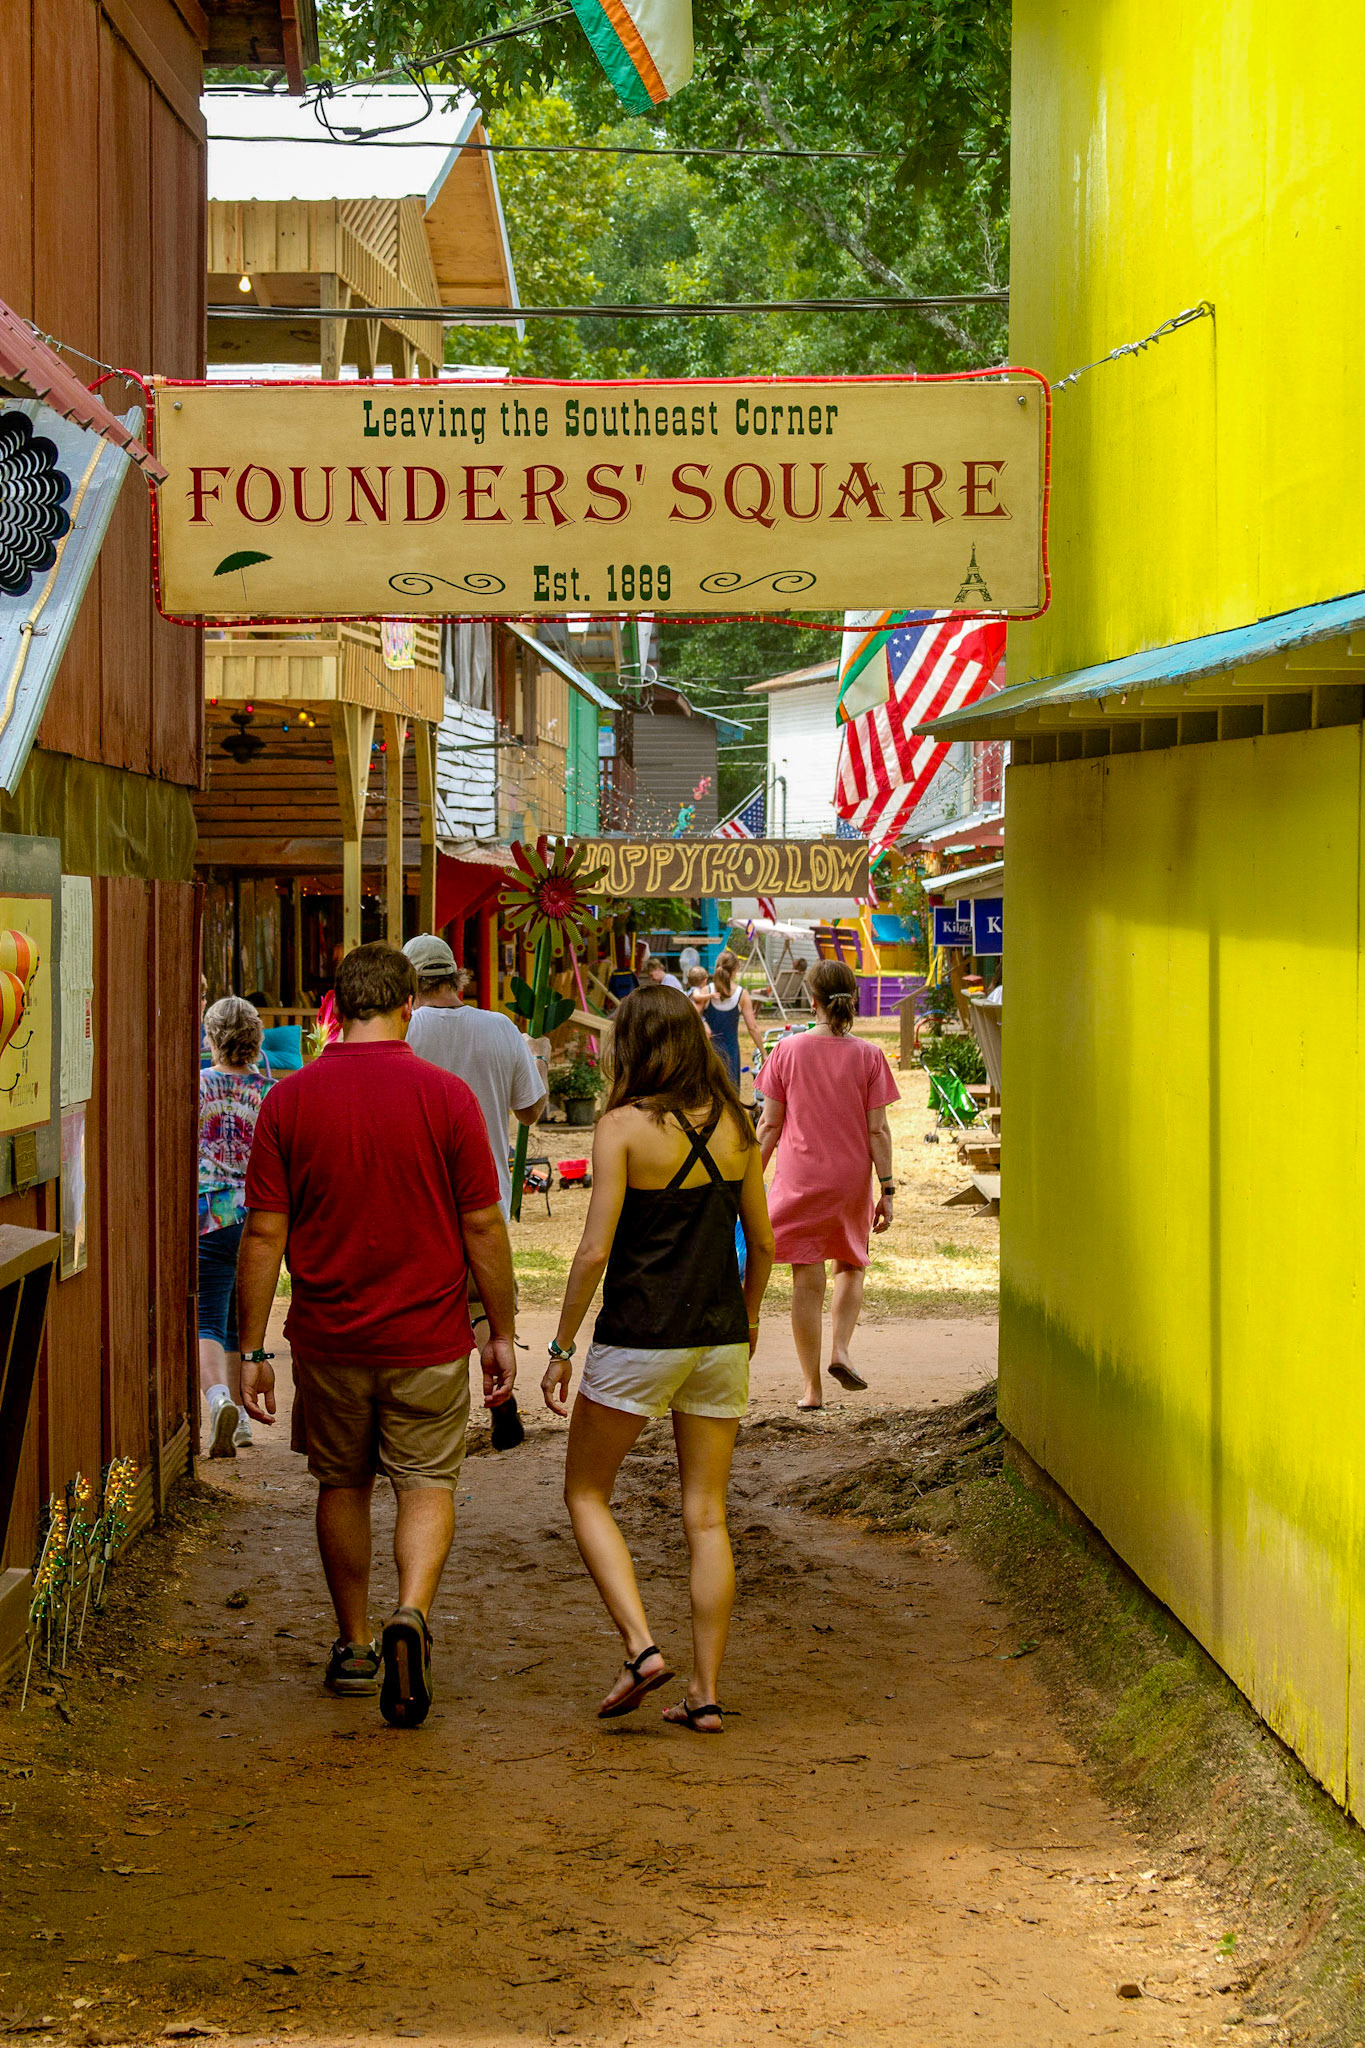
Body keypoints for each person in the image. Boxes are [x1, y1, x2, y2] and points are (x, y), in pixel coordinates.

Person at [236, 942, 517, 1729]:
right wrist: (500, 1329)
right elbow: (484, 1228)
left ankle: (356, 1645)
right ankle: (413, 1615)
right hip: (426, 1336)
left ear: (336, 1005)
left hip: (328, 1339)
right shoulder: (448, 1098)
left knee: (343, 1485)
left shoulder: (289, 1101)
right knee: (426, 1483)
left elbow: (262, 1235)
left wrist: (252, 1349)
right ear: (408, 1007)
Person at [542, 986, 774, 1735]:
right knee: (706, 1517)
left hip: (639, 1335)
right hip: (718, 1336)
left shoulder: (621, 1129)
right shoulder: (739, 1125)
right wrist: (751, 1314)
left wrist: (560, 1346)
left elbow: (594, 1251)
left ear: (633, 1047)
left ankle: (641, 1648)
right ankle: (704, 1693)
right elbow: (764, 1244)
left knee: (585, 1494)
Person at [402, 931, 548, 1450]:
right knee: (485, 1304)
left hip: (417, 1196)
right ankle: (501, 1402)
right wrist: (540, 1060)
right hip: (484, 1193)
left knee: (424, 1307)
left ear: (409, 985)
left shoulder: (404, 1030)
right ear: (455, 977)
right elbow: (531, 1110)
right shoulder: (499, 1027)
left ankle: (429, 1416)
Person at [756, 960, 899, 1411]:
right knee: (851, 1264)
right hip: (849, 1180)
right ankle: (841, 1349)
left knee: (806, 1277)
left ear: (811, 1000)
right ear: (852, 1000)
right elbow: (878, 1130)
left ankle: (811, 1389)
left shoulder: (786, 1050)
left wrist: (746, 1183)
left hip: (799, 1179)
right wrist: (888, 1189)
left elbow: (768, 1125)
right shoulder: (870, 1056)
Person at [198, 997, 271, 1458]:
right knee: (241, 1321)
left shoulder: (199, 1086)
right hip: (257, 1219)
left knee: (207, 1318)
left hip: (209, 1216)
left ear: (212, 1037)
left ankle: (218, 1399)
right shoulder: (270, 1092)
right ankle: (242, 1420)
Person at [703, 950, 764, 1089]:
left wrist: (703, 1022)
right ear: (735, 969)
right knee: (731, 1091)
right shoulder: (741, 994)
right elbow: (752, 1027)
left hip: (709, 1050)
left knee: (710, 1092)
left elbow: (693, 1015)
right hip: (731, 1051)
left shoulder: (707, 991)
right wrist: (763, 1052)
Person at [684, 963, 713, 1028]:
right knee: (708, 1032)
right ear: (705, 980)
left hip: (691, 1016)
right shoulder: (696, 990)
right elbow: (696, 997)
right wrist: (710, 995)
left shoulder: (691, 989)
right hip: (697, 1017)